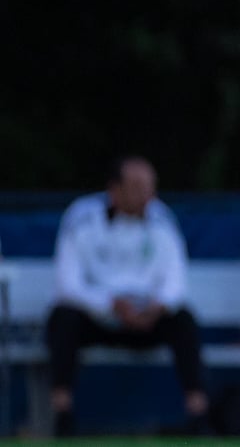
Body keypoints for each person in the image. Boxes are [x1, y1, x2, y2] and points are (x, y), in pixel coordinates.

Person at [46, 156, 209, 435]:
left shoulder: (162, 218)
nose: (147, 194)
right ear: (114, 189)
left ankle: (198, 416)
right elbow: (68, 284)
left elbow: (175, 280)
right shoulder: (82, 218)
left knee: (183, 320)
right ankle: (63, 414)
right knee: (63, 318)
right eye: (137, 186)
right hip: (98, 318)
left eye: (150, 186)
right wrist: (110, 305)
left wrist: (157, 308)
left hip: (147, 319)